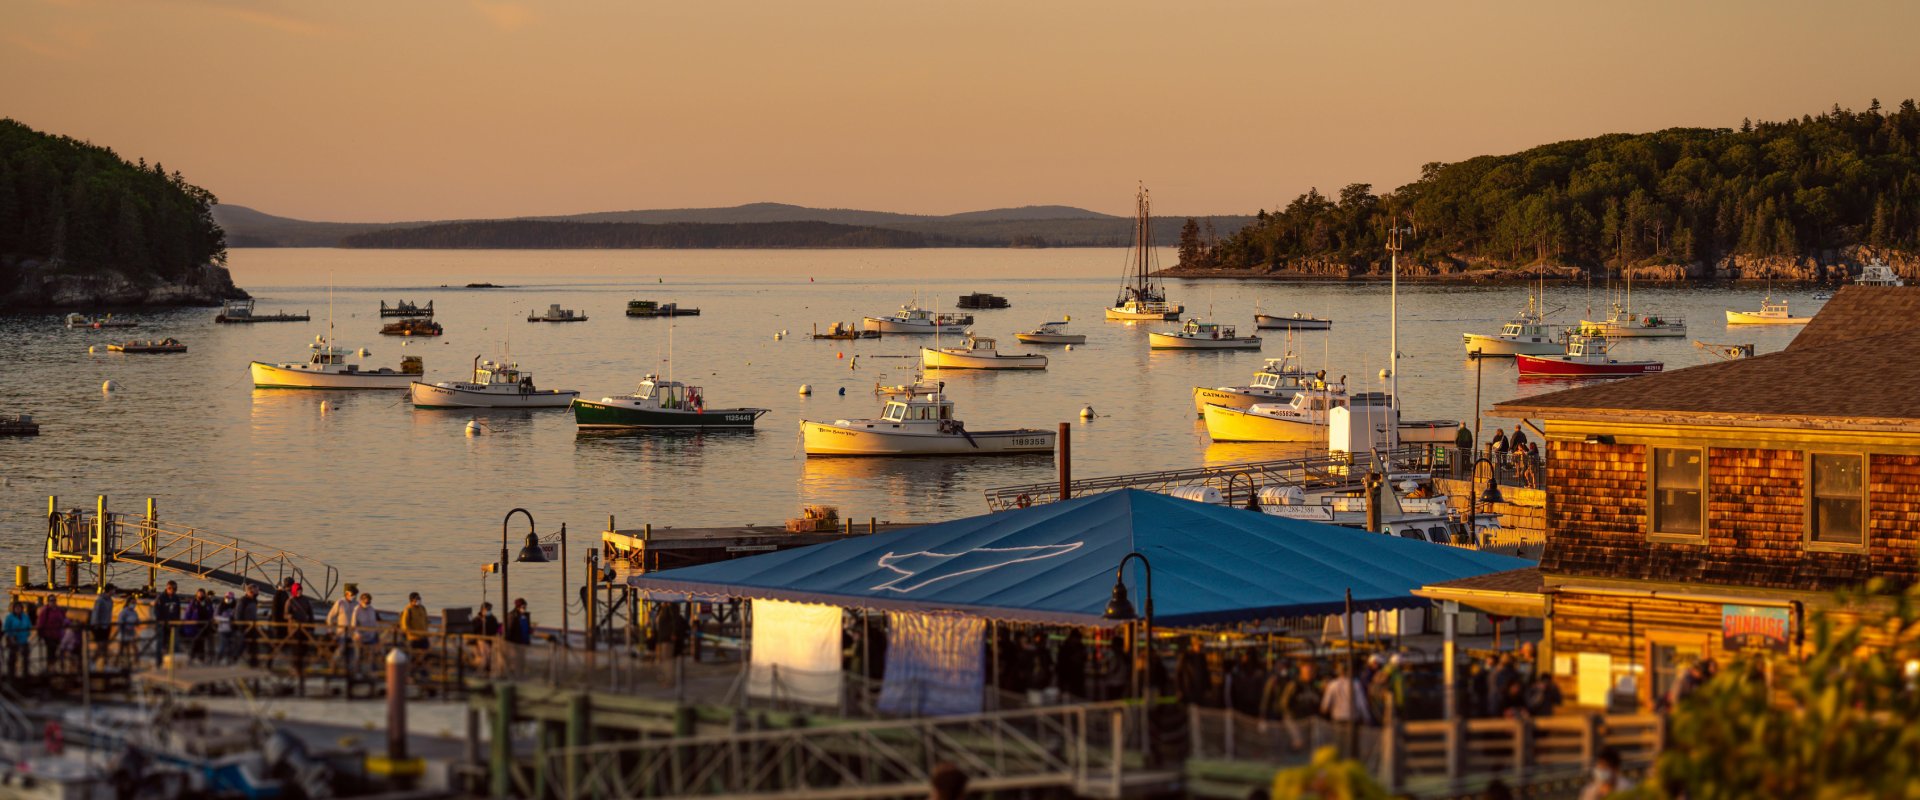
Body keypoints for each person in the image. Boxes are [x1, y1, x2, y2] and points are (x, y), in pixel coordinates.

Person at [1319, 661, 1373, 759]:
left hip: (1337, 720)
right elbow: (1361, 703)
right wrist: (1366, 717)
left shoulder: (1332, 685)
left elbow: (1325, 705)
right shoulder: (1355, 684)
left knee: (1338, 746)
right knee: (1352, 747)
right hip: (1352, 721)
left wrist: (1324, 714)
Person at [327, 585, 361, 670]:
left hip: (352, 634)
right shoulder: (340, 602)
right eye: (352, 594)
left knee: (353, 652)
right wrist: (330, 631)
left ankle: (351, 670)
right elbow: (330, 617)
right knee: (340, 650)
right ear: (347, 594)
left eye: (355, 595)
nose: (354, 596)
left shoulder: (356, 604)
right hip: (341, 633)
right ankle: (333, 665)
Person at [647, 602, 680, 687]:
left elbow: (675, 620)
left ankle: (670, 680)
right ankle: (664, 678)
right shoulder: (662, 608)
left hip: (667, 638)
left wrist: (674, 633)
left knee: (667, 660)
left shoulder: (671, 607)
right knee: (661, 660)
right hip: (660, 638)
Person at [1175, 638, 1214, 707]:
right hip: (1189, 689)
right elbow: (1179, 674)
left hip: (1199, 690)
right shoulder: (1186, 657)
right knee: (1190, 708)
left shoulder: (1202, 657)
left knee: (1198, 708)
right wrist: (1179, 689)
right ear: (1193, 645)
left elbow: (1206, 674)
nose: (1200, 647)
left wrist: (1208, 688)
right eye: (1198, 645)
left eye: (1201, 645)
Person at [349, 591, 379, 677]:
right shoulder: (357, 610)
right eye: (365, 601)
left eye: (369, 601)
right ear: (361, 601)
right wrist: (357, 634)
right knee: (359, 655)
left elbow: (374, 623)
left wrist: (376, 635)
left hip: (371, 636)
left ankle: (373, 671)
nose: (367, 603)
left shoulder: (371, 609)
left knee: (373, 654)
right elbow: (353, 625)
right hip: (359, 637)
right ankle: (358, 672)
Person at [37, 599, 69, 672]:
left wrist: (67, 625)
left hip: (58, 634)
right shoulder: (45, 611)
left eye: (54, 601)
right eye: (51, 601)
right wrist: (40, 633)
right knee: (50, 651)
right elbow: (41, 622)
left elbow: (64, 619)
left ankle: (56, 668)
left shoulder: (59, 610)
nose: (53, 602)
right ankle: (50, 668)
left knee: (57, 651)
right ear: (48, 602)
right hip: (48, 634)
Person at [153, 581, 181, 663]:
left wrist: (177, 621)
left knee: (174, 643)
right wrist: (161, 620)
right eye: (170, 588)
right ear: (167, 588)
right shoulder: (161, 598)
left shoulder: (176, 598)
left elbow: (178, 610)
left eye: (174, 589)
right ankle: (159, 662)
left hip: (173, 623)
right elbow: (156, 610)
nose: (172, 590)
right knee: (160, 643)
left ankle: (173, 662)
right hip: (162, 623)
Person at [1055, 629, 1087, 700]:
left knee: (1076, 696)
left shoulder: (1080, 647)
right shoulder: (1066, 647)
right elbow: (1062, 662)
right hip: (1067, 676)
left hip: (1076, 676)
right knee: (1068, 697)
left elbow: (1084, 658)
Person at [1025, 632, 1055, 705]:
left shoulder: (1045, 652)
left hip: (1043, 680)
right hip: (1034, 680)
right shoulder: (1031, 652)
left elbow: (1050, 665)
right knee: (1034, 698)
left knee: (1041, 698)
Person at [3, 602, 31, 677]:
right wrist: (11, 637)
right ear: (13, 609)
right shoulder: (9, 617)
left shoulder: (25, 617)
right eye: (16, 607)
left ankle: (25, 673)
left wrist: (28, 635)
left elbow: (29, 626)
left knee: (26, 658)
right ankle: (11, 674)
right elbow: (6, 628)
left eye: (19, 607)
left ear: (22, 609)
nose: (18, 609)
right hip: (14, 640)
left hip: (24, 640)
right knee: (12, 658)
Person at [89, 588, 115, 663]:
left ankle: (104, 662)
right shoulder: (100, 600)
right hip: (99, 626)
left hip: (106, 625)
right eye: (112, 590)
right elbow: (96, 613)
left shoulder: (111, 601)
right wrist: (95, 625)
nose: (114, 592)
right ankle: (93, 661)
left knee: (105, 646)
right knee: (101, 646)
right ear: (109, 591)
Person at [237, 584, 261, 666]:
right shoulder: (243, 601)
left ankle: (253, 663)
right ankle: (234, 660)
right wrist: (241, 627)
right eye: (256, 590)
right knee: (242, 645)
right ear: (250, 591)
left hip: (253, 627)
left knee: (253, 645)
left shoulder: (254, 600)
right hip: (245, 627)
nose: (258, 592)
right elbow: (238, 614)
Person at [115, 594, 141, 665]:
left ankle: (136, 662)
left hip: (131, 633)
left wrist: (137, 622)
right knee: (121, 650)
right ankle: (116, 663)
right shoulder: (124, 612)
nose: (134, 604)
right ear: (128, 603)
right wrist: (123, 631)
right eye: (132, 603)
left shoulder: (134, 612)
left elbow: (137, 621)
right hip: (123, 633)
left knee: (134, 648)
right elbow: (120, 622)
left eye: (135, 603)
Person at [214, 592, 238, 663]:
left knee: (231, 645)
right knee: (223, 644)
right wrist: (226, 619)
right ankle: (218, 659)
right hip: (223, 629)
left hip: (232, 629)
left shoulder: (235, 607)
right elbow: (216, 617)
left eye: (230, 598)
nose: (228, 599)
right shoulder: (220, 606)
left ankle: (229, 660)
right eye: (227, 597)